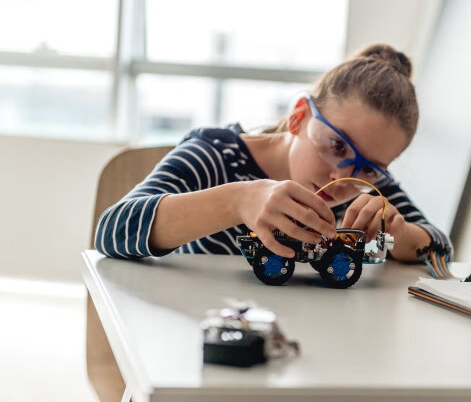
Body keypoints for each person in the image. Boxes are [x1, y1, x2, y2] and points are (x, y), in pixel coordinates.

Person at [95, 44, 452, 263]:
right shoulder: (217, 157)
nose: (341, 177)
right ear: (299, 116)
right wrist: (237, 201)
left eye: (370, 168)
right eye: (337, 145)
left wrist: (399, 234)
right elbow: (112, 230)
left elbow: (441, 251)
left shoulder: (364, 188)